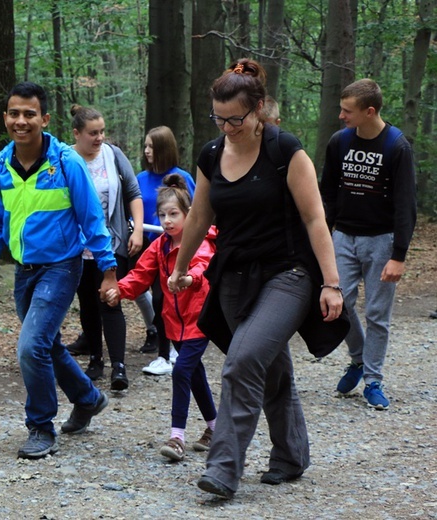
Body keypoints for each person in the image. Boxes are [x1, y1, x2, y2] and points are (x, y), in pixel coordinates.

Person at [167, 59, 345, 499]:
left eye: (236, 118)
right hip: (234, 274)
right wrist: (181, 266)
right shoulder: (211, 154)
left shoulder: (286, 150)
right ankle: (291, 455)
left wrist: (332, 282)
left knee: (243, 360)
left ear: (259, 108)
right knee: (270, 368)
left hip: (290, 273)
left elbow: (315, 218)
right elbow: (200, 216)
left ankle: (224, 467)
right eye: (219, 118)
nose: (227, 127)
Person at [0, 82, 116, 459]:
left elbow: (92, 218)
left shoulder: (66, 162)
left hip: (61, 267)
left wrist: (108, 269)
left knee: (31, 346)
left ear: (44, 119)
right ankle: (87, 398)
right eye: (14, 113)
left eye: (29, 114)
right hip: (25, 270)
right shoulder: (1, 165)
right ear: (5, 118)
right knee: (46, 345)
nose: (21, 121)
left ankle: (40, 426)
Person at [104, 174, 218, 461]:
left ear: (189, 214)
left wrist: (189, 279)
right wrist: (120, 290)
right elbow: (141, 274)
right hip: (174, 323)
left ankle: (177, 437)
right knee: (194, 374)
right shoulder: (160, 246)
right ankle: (216, 428)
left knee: (181, 370)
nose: (167, 221)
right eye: (162, 215)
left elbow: (203, 269)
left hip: (199, 321)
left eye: (173, 214)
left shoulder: (200, 242)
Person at [320, 79, 417, 410]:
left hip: (381, 241)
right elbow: (328, 194)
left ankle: (373, 379)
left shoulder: (397, 146)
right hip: (342, 237)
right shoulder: (339, 142)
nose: (341, 116)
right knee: (336, 304)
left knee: (377, 313)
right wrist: (322, 235)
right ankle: (358, 359)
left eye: (347, 111)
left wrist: (399, 255)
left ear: (369, 111)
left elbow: (406, 205)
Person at [68, 104, 144, 390]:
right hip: (77, 246)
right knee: (88, 303)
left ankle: (119, 367)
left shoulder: (113, 155)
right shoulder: (66, 158)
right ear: (77, 134)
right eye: (93, 133)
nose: (99, 138)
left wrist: (136, 229)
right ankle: (96, 360)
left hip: (112, 243)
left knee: (111, 301)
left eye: (102, 132)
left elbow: (133, 192)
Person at [137, 126, 196, 376]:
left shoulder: (181, 179)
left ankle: (173, 349)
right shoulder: (139, 179)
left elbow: (194, 214)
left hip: (177, 250)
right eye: (146, 146)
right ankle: (164, 349)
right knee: (154, 299)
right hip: (149, 248)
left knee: (167, 299)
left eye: (151, 146)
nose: (146, 151)